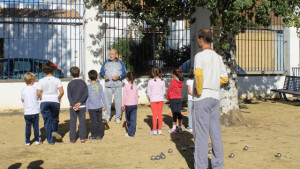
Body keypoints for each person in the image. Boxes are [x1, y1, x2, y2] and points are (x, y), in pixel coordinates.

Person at [193, 29, 228, 169]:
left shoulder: (199, 56)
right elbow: (225, 78)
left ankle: (201, 166)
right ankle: (217, 165)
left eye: (198, 39)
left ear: (201, 39)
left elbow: (199, 75)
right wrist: (213, 81)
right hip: (215, 96)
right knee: (215, 132)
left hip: (202, 97)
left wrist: (198, 90)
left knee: (201, 135)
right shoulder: (218, 57)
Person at [37, 62, 64, 145]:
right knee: (55, 118)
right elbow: (62, 92)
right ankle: (54, 130)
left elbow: (38, 92)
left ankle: (50, 140)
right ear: (53, 71)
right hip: (55, 101)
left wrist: (41, 97)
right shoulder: (57, 80)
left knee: (47, 120)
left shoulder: (41, 81)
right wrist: (59, 97)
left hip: (45, 101)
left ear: (44, 71)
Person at [100, 49, 127, 124]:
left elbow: (124, 73)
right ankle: (106, 117)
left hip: (117, 86)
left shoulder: (121, 63)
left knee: (118, 103)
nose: (110, 55)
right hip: (108, 86)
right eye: (110, 54)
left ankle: (118, 117)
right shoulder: (106, 62)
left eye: (112, 54)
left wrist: (119, 77)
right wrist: (104, 75)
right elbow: (101, 72)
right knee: (107, 102)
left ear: (116, 54)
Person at [67, 66, 88, 143]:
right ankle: (82, 137)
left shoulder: (70, 84)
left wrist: (73, 105)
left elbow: (69, 96)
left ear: (71, 74)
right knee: (82, 122)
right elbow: (86, 94)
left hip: (73, 107)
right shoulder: (83, 83)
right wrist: (80, 102)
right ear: (79, 73)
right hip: (82, 105)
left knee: (73, 122)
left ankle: (72, 138)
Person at [86, 70, 107, 140]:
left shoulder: (88, 87)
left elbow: (87, 98)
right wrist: (105, 105)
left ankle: (93, 135)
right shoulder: (100, 86)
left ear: (89, 77)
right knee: (100, 121)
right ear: (97, 76)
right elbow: (103, 96)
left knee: (93, 122)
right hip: (99, 106)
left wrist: (86, 108)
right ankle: (100, 135)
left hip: (91, 107)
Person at [21, 72, 41, 146]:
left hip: (27, 112)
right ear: (32, 80)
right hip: (35, 111)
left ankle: (27, 141)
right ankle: (37, 139)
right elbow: (38, 97)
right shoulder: (35, 89)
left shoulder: (23, 90)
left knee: (28, 126)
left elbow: (22, 100)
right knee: (36, 126)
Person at [147, 67, 165, 135]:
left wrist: (151, 97)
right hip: (160, 99)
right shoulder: (162, 81)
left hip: (153, 99)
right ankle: (159, 129)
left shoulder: (150, 81)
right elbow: (163, 91)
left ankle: (154, 130)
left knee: (154, 115)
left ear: (153, 73)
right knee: (160, 114)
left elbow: (148, 92)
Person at [166, 68, 184, 133]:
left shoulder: (172, 82)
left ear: (174, 74)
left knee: (174, 114)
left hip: (173, 99)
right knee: (179, 113)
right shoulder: (181, 83)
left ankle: (174, 128)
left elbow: (169, 91)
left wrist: (167, 97)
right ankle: (180, 127)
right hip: (179, 99)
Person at [122, 72, 138, 137]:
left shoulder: (126, 86)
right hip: (134, 104)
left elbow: (124, 96)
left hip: (128, 105)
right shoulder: (135, 86)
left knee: (128, 119)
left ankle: (130, 132)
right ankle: (132, 132)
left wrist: (122, 105)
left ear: (127, 78)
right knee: (133, 119)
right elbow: (136, 96)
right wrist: (137, 103)